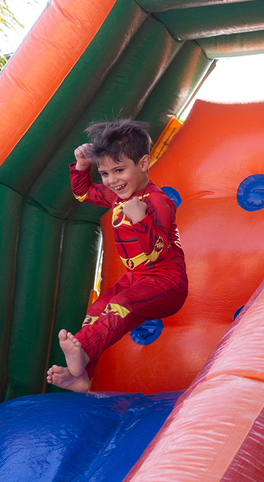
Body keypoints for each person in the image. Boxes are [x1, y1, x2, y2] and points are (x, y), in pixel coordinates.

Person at [46, 119, 188, 393]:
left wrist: (141, 219)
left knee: (121, 303)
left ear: (144, 164)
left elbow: (157, 254)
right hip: (138, 279)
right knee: (98, 309)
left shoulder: (157, 201)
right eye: (105, 173)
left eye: (119, 170)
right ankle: (82, 376)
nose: (112, 181)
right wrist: (82, 167)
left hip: (168, 282)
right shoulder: (116, 196)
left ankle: (83, 353)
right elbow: (82, 193)